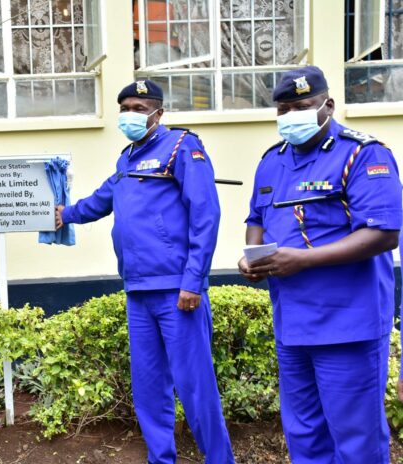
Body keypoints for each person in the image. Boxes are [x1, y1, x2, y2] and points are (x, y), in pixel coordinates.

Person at [55, 80, 234, 464]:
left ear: (158, 112)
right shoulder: (127, 158)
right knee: (149, 388)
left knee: (195, 387)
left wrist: (193, 281)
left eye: (138, 107)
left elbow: (206, 214)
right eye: (125, 108)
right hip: (137, 291)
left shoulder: (183, 147)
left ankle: (219, 459)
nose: (130, 114)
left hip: (176, 291)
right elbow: (103, 199)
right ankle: (160, 458)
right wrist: (63, 214)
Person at [239, 65, 401, 462]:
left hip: (348, 325)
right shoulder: (272, 161)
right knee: (304, 432)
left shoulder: (363, 154)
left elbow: (385, 233)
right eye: (283, 109)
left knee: (355, 437)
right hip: (293, 323)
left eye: (302, 105)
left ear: (328, 104)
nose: (290, 115)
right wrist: (252, 257)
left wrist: (303, 260)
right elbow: (257, 219)